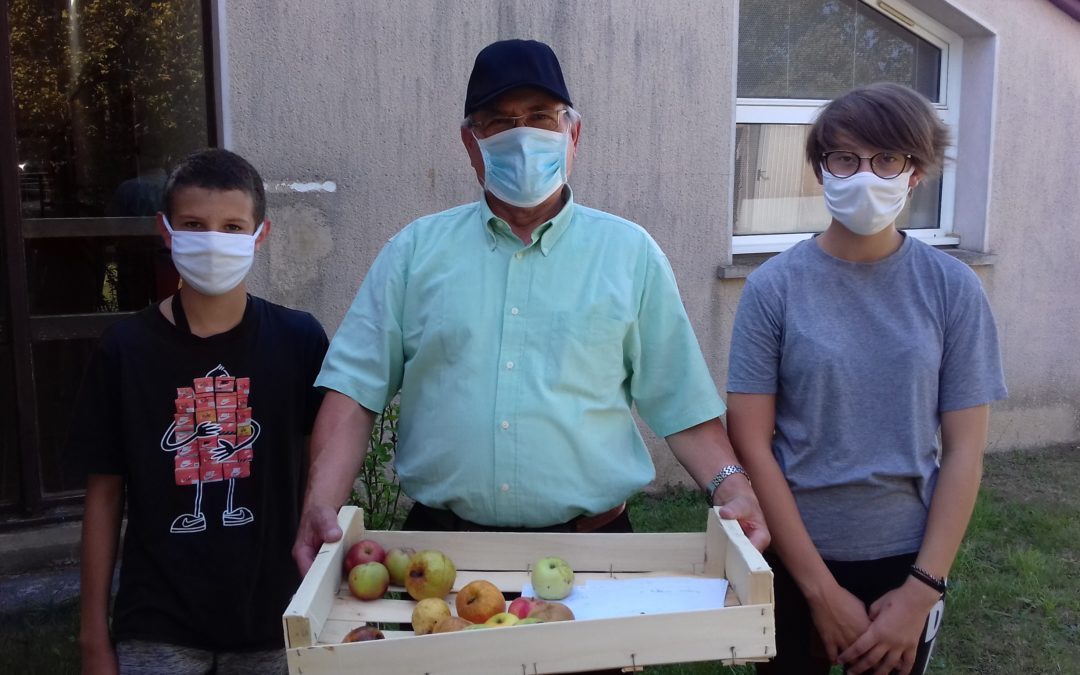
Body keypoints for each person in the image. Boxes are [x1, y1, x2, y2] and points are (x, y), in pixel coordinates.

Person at [293, 38, 768, 574]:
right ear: (471, 144)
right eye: (498, 122)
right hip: (442, 557)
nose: (522, 137)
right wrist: (319, 505)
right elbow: (354, 392)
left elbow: (680, 402)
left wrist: (733, 487)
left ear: (573, 135)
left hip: (596, 555)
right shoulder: (413, 253)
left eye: (541, 118)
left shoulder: (630, 254)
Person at [725, 83, 1007, 675]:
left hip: (906, 559)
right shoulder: (773, 288)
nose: (864, 176)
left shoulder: (954, 290)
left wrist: (920, 591)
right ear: (821, 169)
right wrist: (819, 591)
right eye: (845, 159)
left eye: (887, 159)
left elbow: (963, 453)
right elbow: (753, 443)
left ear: (917, 172)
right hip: (793, 555)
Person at [76, 148, 329, 674]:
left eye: (233, 226)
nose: (214, 240)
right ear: (165, 231)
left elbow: (320, 476)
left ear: (262, 234)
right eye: (194, 224)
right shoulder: (124, 351)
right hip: (159, 621)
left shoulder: (298, 341)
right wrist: (92, 638)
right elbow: (103, 496)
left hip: (274, 616)